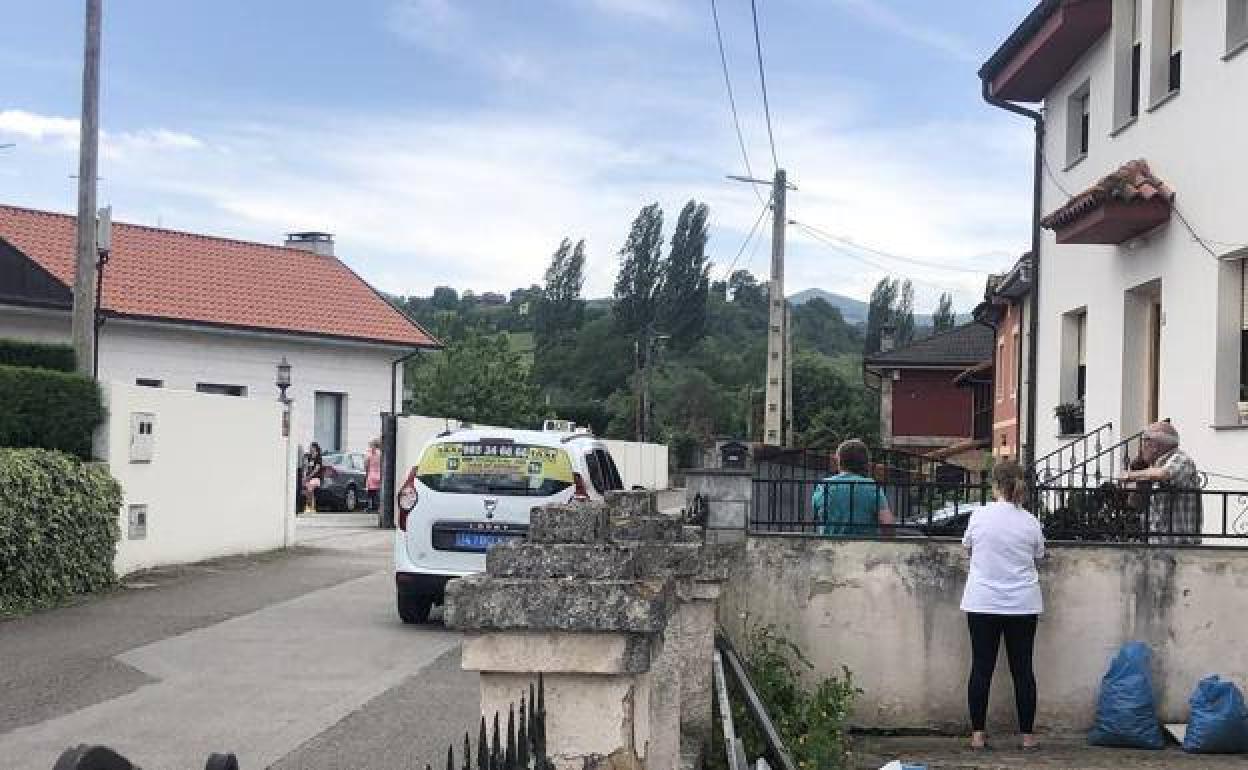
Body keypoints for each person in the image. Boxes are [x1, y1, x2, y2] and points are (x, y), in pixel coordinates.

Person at [961, 460, 1044, 752]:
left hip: (982, 600)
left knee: (981, 667)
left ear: (994, 485)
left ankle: (978, 734)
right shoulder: (1031, 521)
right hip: (1023, 603)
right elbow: (1038, 556)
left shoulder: (979, 516)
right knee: (1023, 669)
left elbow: (968, 549)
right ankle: (1027, 736)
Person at [1122, 421, 1202, 545]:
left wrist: (1131, 475)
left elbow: (1164, 474)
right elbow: (1135, 504)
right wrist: (1139, 478)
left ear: (1155, 445)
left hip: (1179, 545)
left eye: (1144, 440)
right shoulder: (1152, 468)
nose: (1141, 446)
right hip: (1154, 542)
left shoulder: (1181, 459)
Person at [811, 439, 895, 536]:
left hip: (828, 545)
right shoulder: (872, 487)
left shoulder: (823, 486)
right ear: (866, 463)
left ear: (839, 461)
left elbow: (817, 515)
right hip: (863, 546)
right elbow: (887, 523)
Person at [303, 442, 324, 515]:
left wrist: (309, 477)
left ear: (315, 448)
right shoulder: (309, 457)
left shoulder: (318, 457)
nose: (310, 449)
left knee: (310, 488)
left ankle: (309, 507)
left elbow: (316, 469)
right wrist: (305, 476)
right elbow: (306, 467)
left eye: (311, 447)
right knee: (308, 491)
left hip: (316, 478)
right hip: (309, 478)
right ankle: (311, 507)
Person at [365, 437, 383, 513]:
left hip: (371, 475)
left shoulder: (369, 454)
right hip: (379, 475)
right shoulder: (381, 454)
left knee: (370, 493)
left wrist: (366, 473)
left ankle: (370, 507)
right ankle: (379, 507)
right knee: (378, 493)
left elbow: (366, 464)